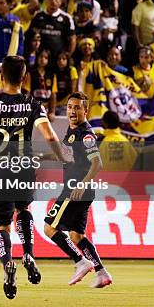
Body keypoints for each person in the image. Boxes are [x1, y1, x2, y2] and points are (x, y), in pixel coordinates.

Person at [0, 55, 69, 299]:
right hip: (25, 167)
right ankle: (28, 252)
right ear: (25, 77)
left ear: (1, 77)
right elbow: (50, 136)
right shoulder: (32, 104)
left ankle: (8, 262)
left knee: (1, 224)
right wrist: (63, 156)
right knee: (24, 209)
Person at [43, 92, 113, 288]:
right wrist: (41, 157)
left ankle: (80, 261)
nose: (72, 111)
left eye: (77, 108)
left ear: (86, 110)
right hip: (83, 192)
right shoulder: (72, 131)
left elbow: (97, 163)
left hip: (75, 189)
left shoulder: (86, 134)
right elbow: (65, 155)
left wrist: (81, 184)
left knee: (49, 227)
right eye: (70, 107)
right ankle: (102, 272)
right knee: (76, 236)